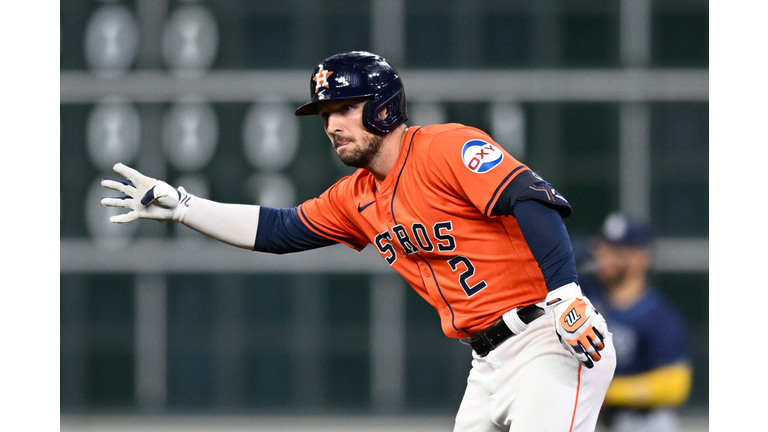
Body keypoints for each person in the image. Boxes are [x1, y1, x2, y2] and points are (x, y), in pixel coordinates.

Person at [101, 51, 616, 431]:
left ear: (384, 108)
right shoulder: (356, 196)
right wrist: (187, 208)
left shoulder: (447, 148)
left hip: (547, 338)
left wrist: (566, 294)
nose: (331, 124)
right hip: (486, 362)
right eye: (325, 114)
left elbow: (531, 199)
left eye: (344, 107)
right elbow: (279, 230)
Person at [580, 213, 692, 432]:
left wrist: (609, 392)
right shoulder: (586, 297)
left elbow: (676, 385)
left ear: (642, 257)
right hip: (588, 416)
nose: (606, 257)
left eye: (619, 251)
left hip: (639, 420)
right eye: (603, 248)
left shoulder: (659, 316)